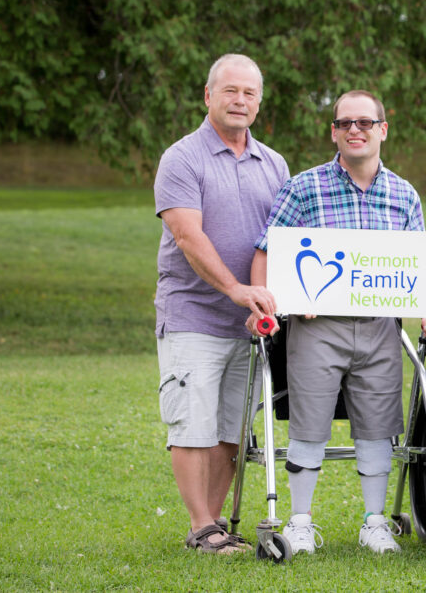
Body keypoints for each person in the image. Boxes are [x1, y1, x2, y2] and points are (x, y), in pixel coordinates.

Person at [251, 89, 426, 555]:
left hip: (379, 327)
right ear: (334, 131)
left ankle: (375, 522)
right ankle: (298, 521)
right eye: (344, 124)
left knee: (378, 426)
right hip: (317, 326)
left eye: (364, 123)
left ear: (382, 130)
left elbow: (416, 268)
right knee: (309, 423)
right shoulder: (305, 186)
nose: (354, 130)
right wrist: (272, 306)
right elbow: (266, 251)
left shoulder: (403, 194)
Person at [154, 54, 289, 555]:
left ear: (259, 102)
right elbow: (189, 237)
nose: (240, 100)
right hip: (193, 316)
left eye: (250, 93)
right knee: (193, 423)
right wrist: (235, 289)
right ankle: (201, 526)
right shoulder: (182, 158)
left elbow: (282, 241)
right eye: (230, 91)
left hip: (250, 325)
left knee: (232, 428)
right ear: (208, 96)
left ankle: (210, 527)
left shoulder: (274, 163)